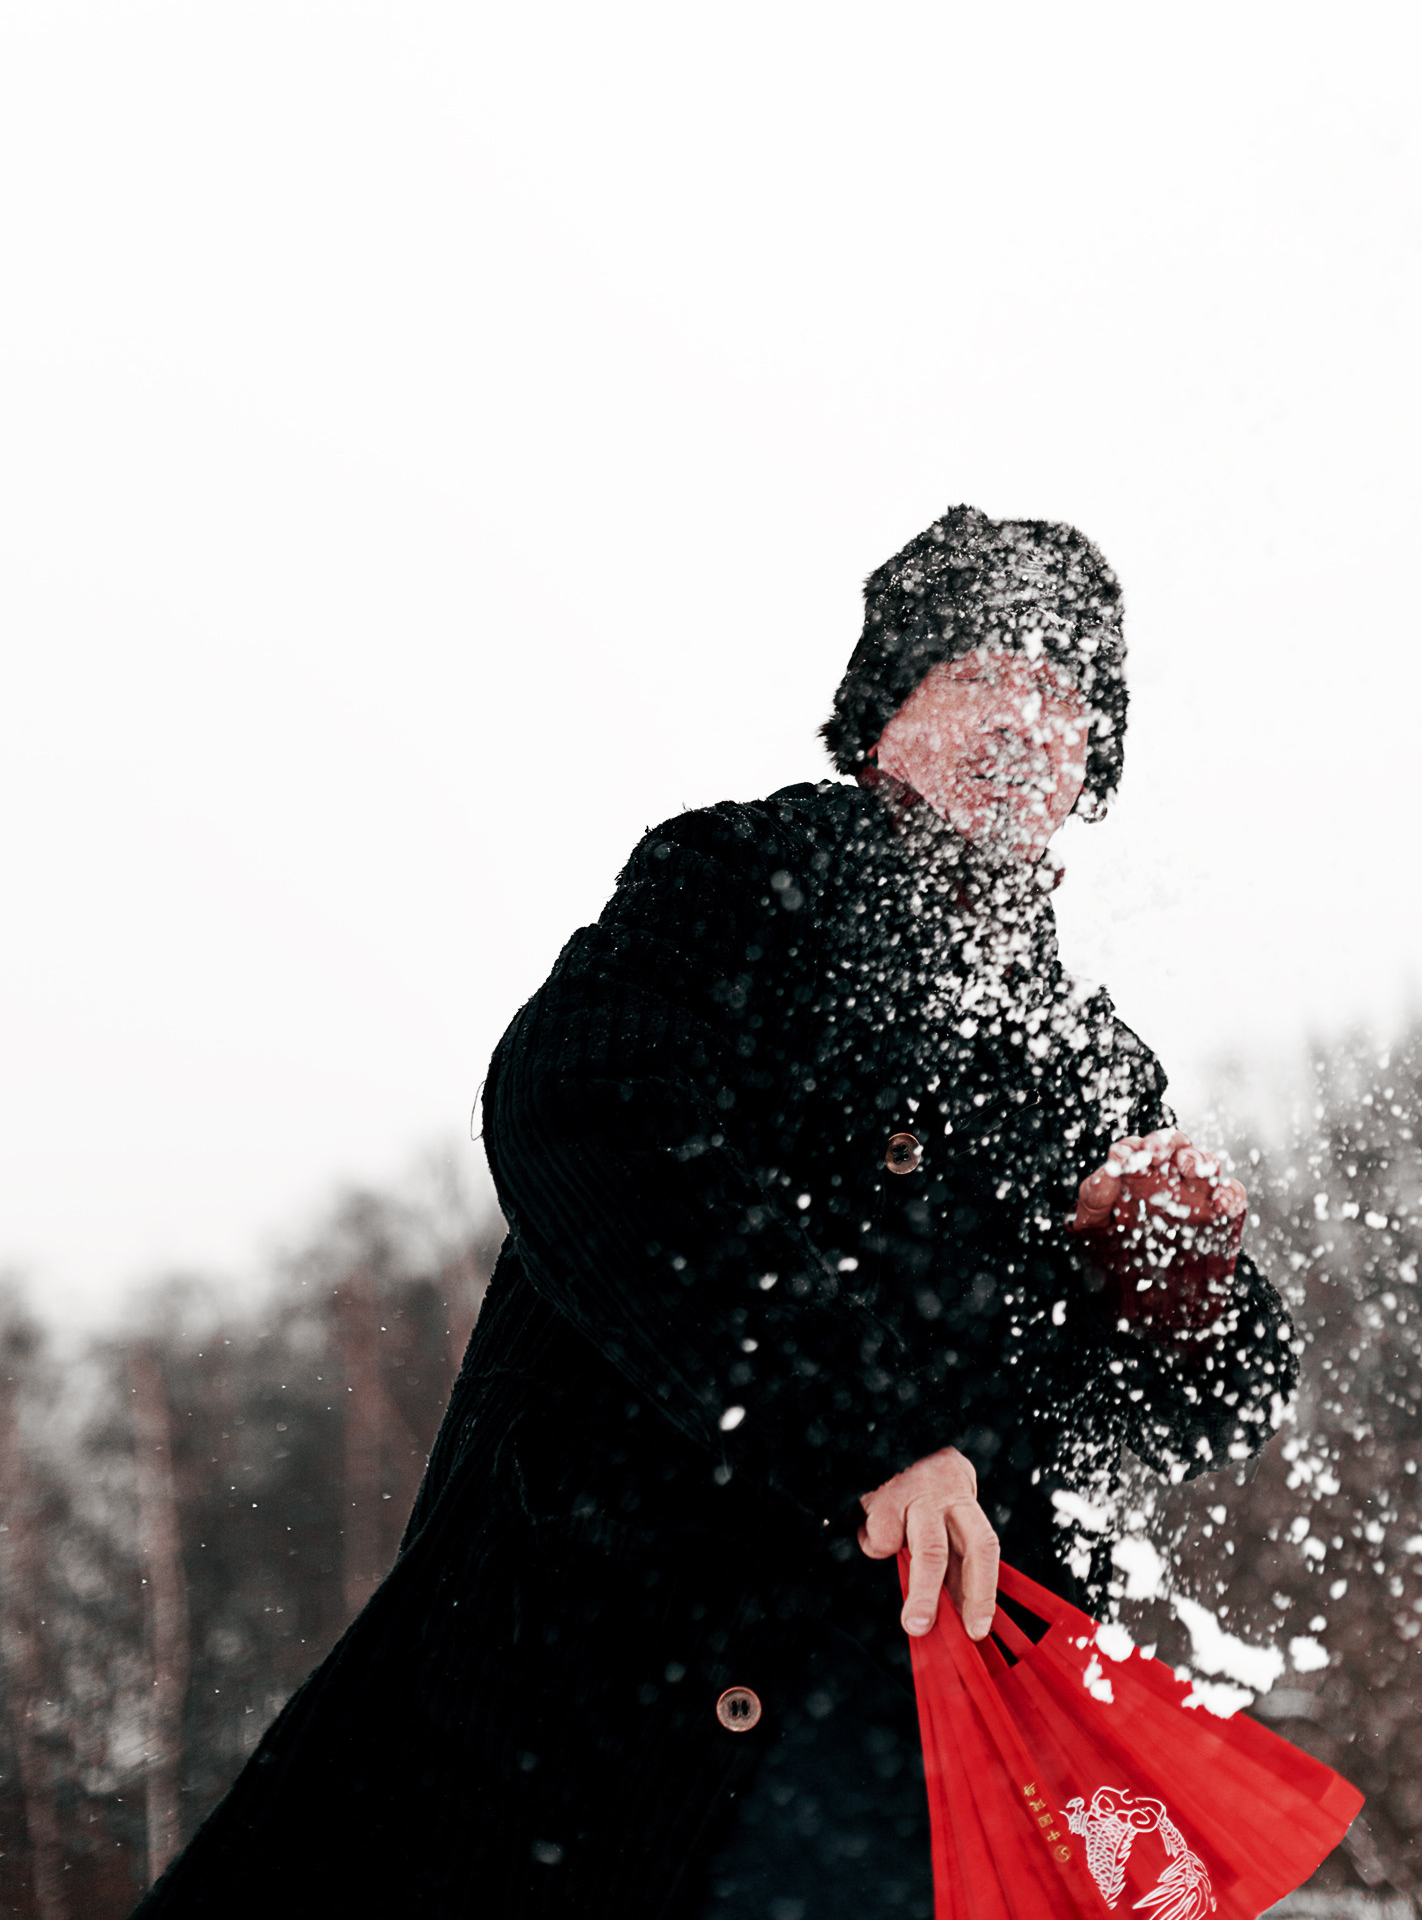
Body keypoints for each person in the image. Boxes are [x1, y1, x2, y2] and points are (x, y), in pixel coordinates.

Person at [133, 505, 1298, 1918]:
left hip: (931, 1744)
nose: (1024, 721)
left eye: (1064, 695)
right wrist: (862, 1436)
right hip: (614, 1680)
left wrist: (1179, 1293)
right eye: (981, 674)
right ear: (885, 717)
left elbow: (1186, 1410)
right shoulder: (741, 887)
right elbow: (582, 1119)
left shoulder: (1088, 1058)